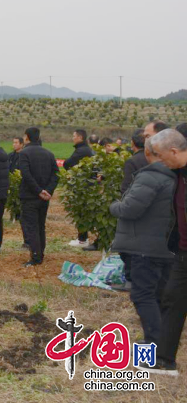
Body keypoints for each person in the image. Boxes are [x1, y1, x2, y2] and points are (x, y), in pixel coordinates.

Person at [110, 135, 177, 348]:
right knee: (158, 295)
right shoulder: (174, 177)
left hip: (144, 248)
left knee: (143, 295)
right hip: (163, 246)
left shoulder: (150, 177)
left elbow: (130, 208)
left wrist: (114, 206)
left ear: (149, 153)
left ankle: (155, 343)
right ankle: (161, 342)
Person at [140, 128, 187, 376]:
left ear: (173, 151)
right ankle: (163, 360)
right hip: (181, 250)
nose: (158, 161)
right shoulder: (176, 174)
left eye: (160, 156)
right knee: (172, 299)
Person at [113, 128, 149, 292]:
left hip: (134, 207)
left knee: (127, 246)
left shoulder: (133, 161)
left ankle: (130, 280)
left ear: (132, 143)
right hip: (151, 209)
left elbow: (126, 188)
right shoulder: (155, 159)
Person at [17, 127, 59, 267]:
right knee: (41, 226)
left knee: (32, 227)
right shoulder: (49, 154)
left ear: (27, 137)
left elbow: (26, 175)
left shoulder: (24, 153)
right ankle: (40, 253)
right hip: (44, 198)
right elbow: (55, 174)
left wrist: (38, 191)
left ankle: (36, 257)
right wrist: (48, 190)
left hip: (30, 197)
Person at [64, 129, 94, 248]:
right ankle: (82, 238)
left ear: (80, 137)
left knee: (82, 212)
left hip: (83, 186)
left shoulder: (82, 151)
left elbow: (67, 163)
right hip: (85, 185)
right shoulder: (85, 149)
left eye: (74, 136)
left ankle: (82, 239)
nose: (73, 138)